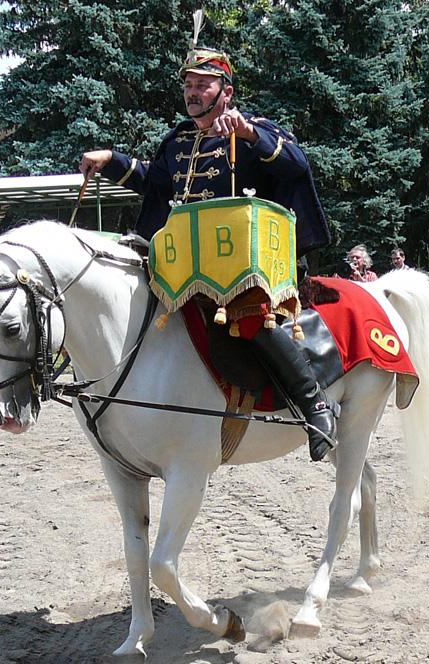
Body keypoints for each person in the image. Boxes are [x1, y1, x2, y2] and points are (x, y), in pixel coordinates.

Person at [79, 27, 334, 461]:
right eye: (189, 85)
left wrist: (252, 136)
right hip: (187, 262)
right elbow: (154, 182)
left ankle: (314, 403)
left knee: (249, 318)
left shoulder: (254, 130)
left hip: (243, 264)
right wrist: (111, 161)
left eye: (203, 85)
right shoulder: (178, 140)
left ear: (225, 91)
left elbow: (296, 164)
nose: (193, 93)